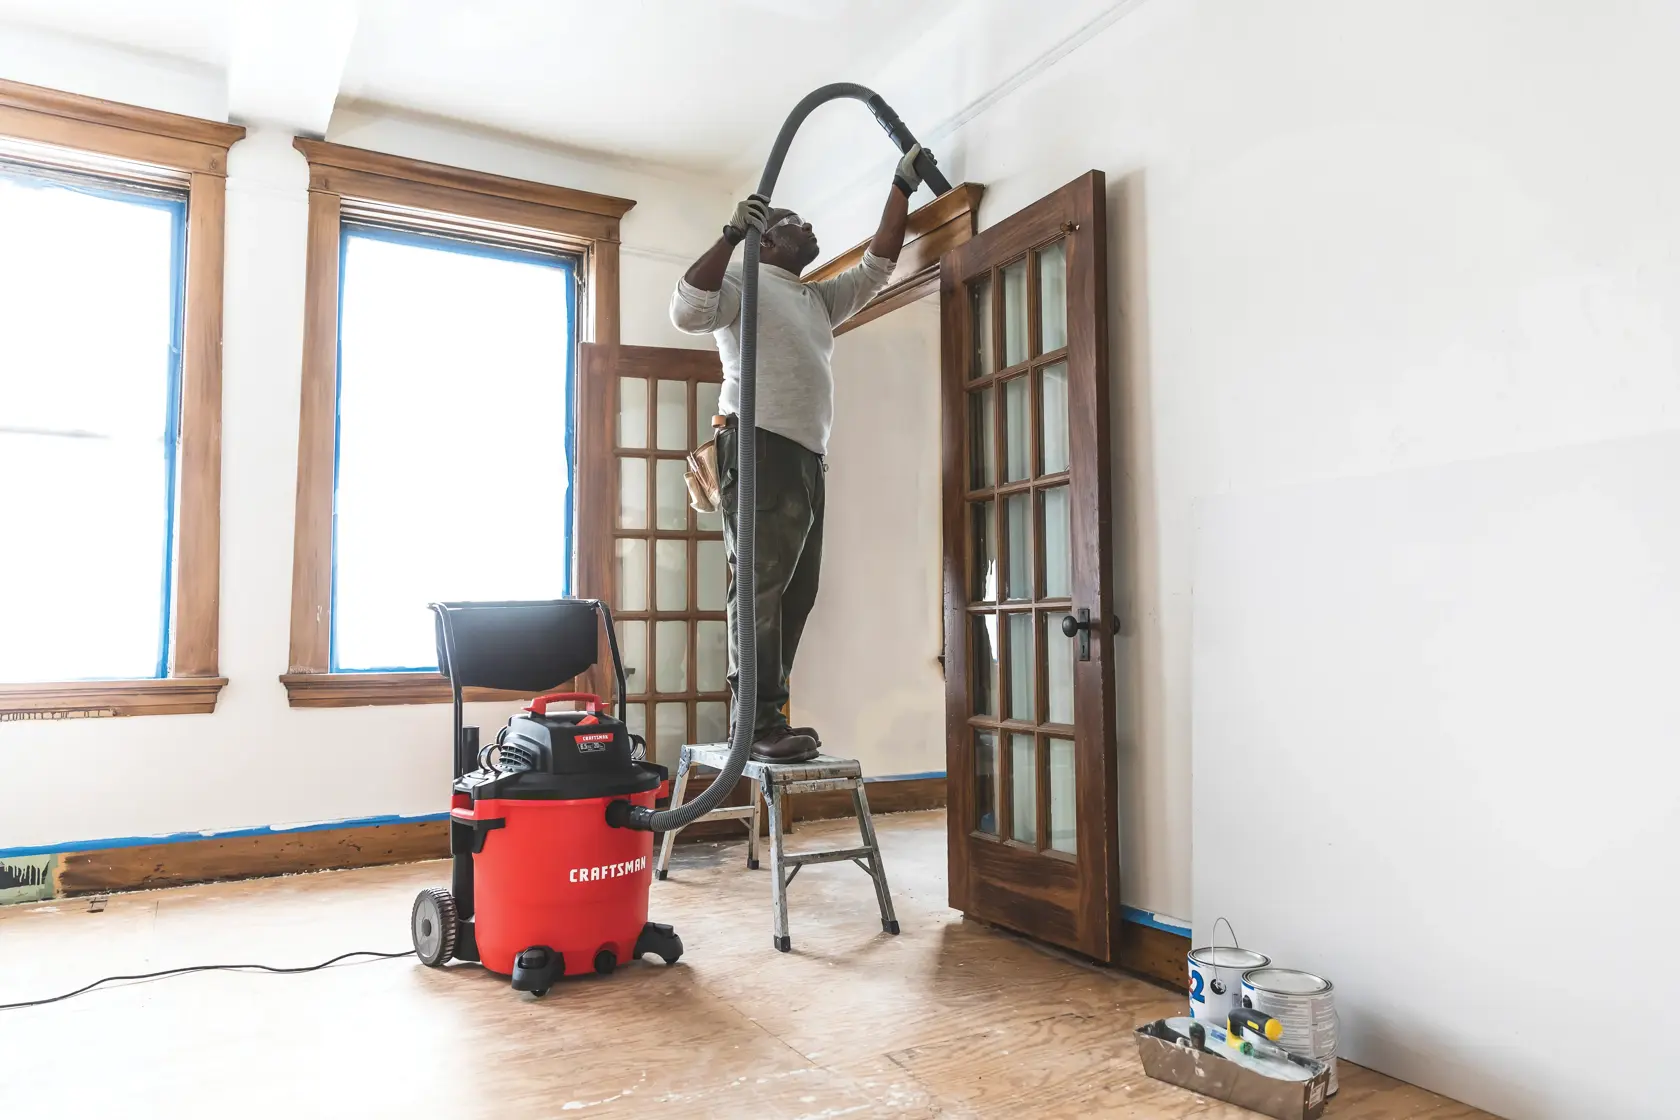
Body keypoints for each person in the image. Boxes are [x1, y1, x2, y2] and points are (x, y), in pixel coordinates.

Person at [670, 145, 933, 763]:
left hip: (805, 460)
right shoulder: (742, 283)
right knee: (758, 586)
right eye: (796, 224)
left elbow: (876, 268)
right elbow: (686, 310)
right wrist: (730, 235)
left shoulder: (812, 298)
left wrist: (900, 187)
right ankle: (755, 725)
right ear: (766, 240)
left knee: (798, 590)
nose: (811, 228)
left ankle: (770, 713)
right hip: (756, 447)